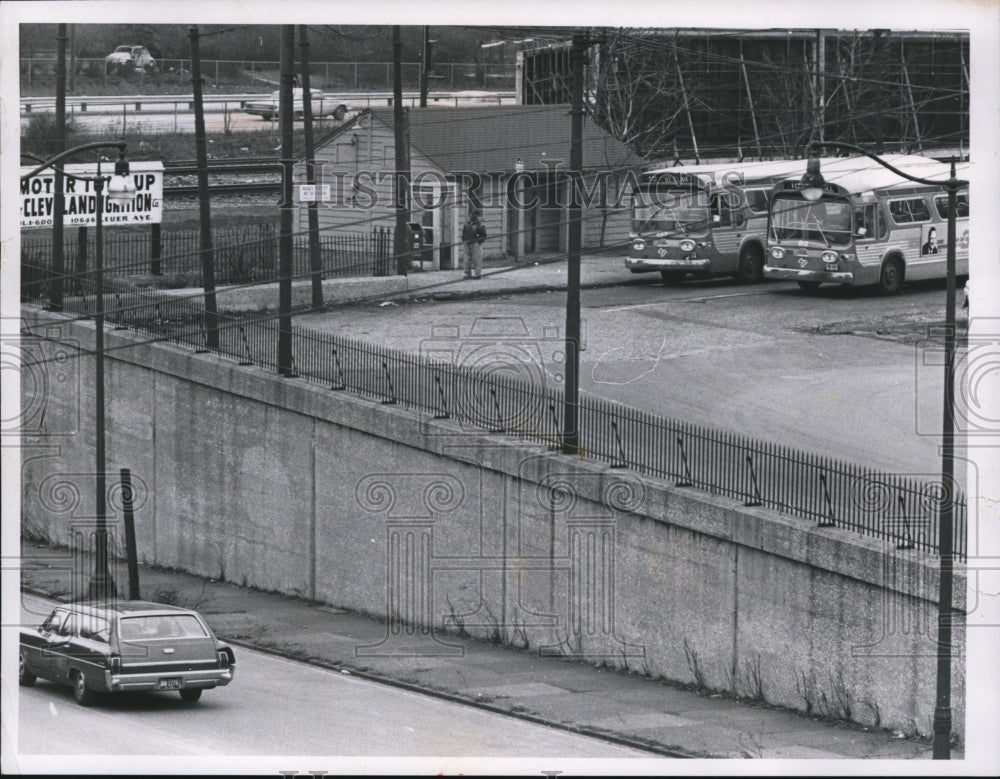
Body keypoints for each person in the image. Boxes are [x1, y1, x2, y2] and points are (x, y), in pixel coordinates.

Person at [462, 210, 487, 279]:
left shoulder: (478, 225)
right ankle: (471, 273)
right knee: (469, 258)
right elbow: (464, 233)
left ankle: (472, 273)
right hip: (470, 242)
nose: (472, 216)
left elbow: (484, 235)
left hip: (472, 242)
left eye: (473, 215)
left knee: (473, 258)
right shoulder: (469, 224)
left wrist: (478, 241)